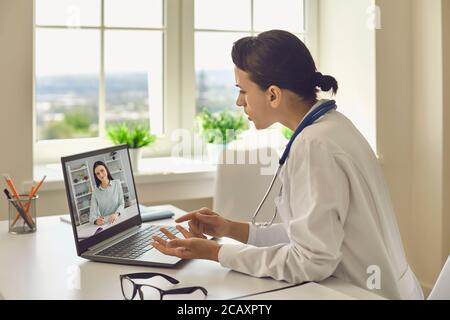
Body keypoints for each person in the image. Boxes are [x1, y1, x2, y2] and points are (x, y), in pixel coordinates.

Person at [151, 30, 424, 300]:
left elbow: (311, 261)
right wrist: (230, 229)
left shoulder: (315, 146)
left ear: (273, 95)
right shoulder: (332, 127)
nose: (239, 102)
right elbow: (309, 236)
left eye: (243, 90)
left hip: (360, 294)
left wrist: (214, 253)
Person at [89, 161, 124, 226]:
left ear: (106, 170)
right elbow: (92, 215)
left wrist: (116, 214)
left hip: (119, 218)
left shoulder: (117, 183)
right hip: (106, 224)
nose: (101, 175)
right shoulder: (95, 192)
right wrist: (96, 221)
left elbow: (122, 204)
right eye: (98, 174)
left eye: (102, 170)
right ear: (96, 176)